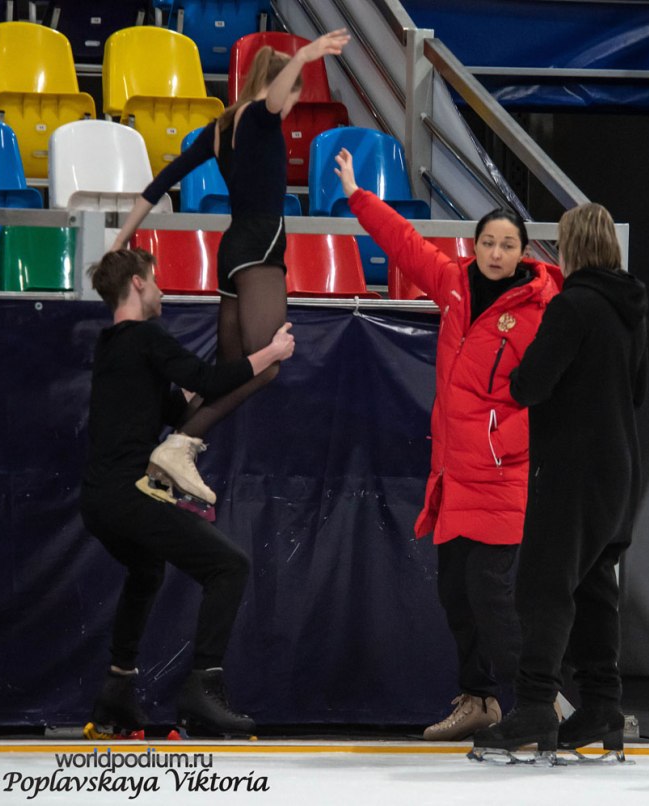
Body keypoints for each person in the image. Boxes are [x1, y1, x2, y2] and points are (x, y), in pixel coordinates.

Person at [333, 147, 563, 740]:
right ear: (476, 246)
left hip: (501, 474)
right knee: (455, 593)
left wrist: (505, 439)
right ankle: (480, 700)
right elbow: (405, 244)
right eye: (488, 242)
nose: (496, 253)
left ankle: (539, 704)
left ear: (523, 252)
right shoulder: (455, 286)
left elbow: (557, 390)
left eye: (507, 245)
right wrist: (359, 196)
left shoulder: (542, 310)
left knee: (491, 593)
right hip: (453, 475)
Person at [110, 29, 350, 508]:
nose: (291, 107)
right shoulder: (261, 118)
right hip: (260, 249)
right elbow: (273, 100)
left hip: (232, 250)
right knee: (267, 365)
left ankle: (159, 467)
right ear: (282, 88)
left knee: (227, 371)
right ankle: (180, 446)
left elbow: (158, 185)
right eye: (293, 96)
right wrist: (305, 55)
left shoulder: (219, 129)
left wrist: (118, 241)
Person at [81, 248, 295, 736]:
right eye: (155, 281)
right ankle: (203, 689)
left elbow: (181, 409)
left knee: (145, 570)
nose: (161, 292)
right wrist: (269, 355)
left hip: (98, 500)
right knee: (229, 566)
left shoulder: (113, 346)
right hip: (127, 494)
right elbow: (205, 380)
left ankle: (116, 690)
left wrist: (227, 374)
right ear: (137, 283)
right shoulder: (145, 336)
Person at [473, 203, 648, 757]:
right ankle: (602, 706)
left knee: (543, 586)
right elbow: (638, 388)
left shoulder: (572, 305)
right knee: (594, 586)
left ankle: (533, 708)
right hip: (620, 466)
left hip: (572, 468)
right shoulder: (631, 307)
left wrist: (518, 369)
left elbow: (529, 385)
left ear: (570, 248)